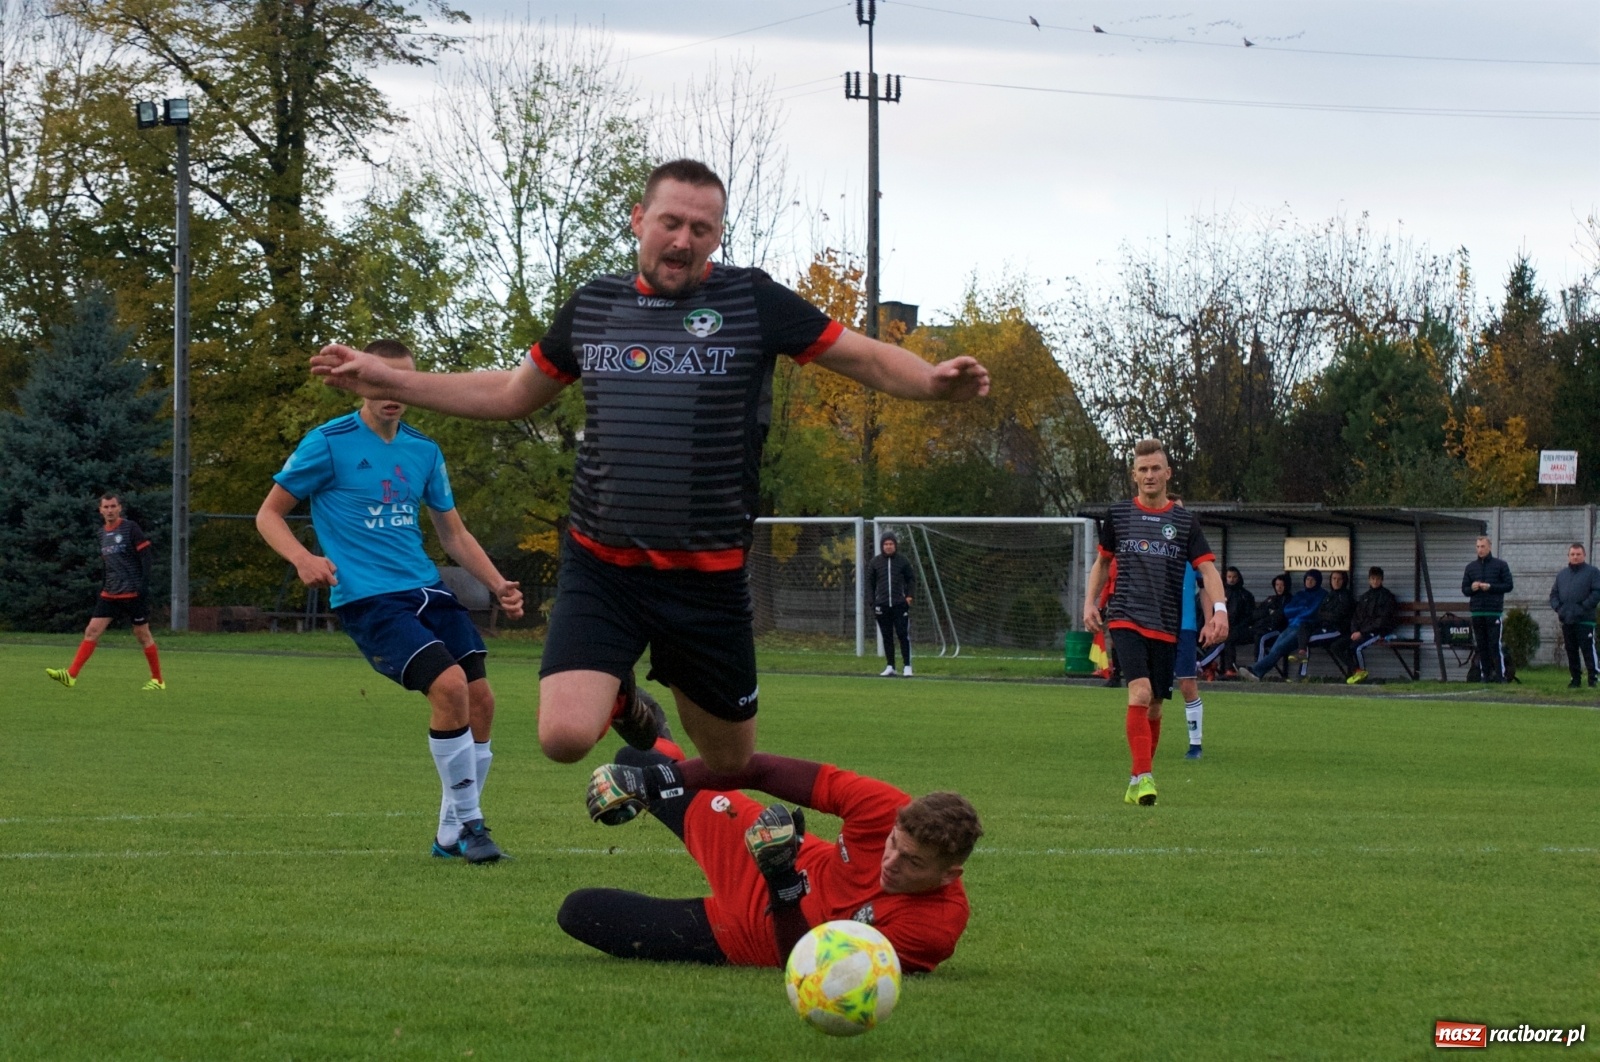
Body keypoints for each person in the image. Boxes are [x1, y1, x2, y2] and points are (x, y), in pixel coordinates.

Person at [308, 159, 990, 775]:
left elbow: (862, 355)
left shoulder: (754, 302)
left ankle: (644, 725)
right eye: (670, 221)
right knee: (564, 737)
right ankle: (624, 700)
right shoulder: (596, 308)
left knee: (727, 762)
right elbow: (510, 394)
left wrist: (930, 382)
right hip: (605, 570)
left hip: (708, 584)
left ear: (717, 236)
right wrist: (382, 377)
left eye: (701, 227)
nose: (683, 239)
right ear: (640, 220)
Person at [256, 340, 526, 864]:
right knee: (448, 687)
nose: (392, 394)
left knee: (483, 701)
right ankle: (472, 826)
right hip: (370, 598)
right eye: (381, 382)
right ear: (364, 382)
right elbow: (269, 514)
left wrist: (497, 583)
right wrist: (303, 558)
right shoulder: (328, 442)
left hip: (425, 590)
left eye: (401, 382)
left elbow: (453, 533)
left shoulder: (424, 449)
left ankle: (451, 834)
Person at [560, 745, 981, 972]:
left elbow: (808, 967)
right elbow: (757, 769)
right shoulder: (882, 806)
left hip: (746, 931)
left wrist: (782, 881)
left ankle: (661, 749)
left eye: (913, 863)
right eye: (893, 844)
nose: (891, 862)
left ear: (950, 875)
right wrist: (658, 780)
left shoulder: (933, 928)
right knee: (635, 763)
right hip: (757, 845)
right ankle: (653, 736)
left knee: (579, 911)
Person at [1082, 439, 1226, 807]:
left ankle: (1136, 777)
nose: (1149, 475)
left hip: (1166, 625)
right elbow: (1102, 563)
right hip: (1126, 618)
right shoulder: (1117, 515)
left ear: (1167, 473)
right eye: (1142, 469)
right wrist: (1088, 604)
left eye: (1155, 469)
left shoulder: (1183, 521)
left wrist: (1220, 611)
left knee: (1157, 705)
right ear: (1134, 475)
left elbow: (1207, 568)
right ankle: (1145, 777)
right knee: (1140, 692)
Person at [45, 492, 165, 691]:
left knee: (142, 635)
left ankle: (158, 680)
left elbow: (146, 556)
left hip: (132, 592)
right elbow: (108, 564)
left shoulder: (130, 528)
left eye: (113, 506)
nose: (109, 510)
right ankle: (71, 675)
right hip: (110, 593)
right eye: (106, 507)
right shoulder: (101, 533)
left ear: (119, 508)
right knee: (91, 631)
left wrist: (143, 584)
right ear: (100, 510)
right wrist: (104, 585)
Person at [1243, 571, 1326, 681]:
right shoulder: (1300, 594)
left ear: (1318, 581)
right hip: (1292, 625)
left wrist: (1299, 611)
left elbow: (1311, 612)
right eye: (1307, 579)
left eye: (1312, 580)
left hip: (1303, 628)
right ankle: (1258, 673)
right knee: (1275, 649)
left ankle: (1255, 670)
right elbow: (1287, 610)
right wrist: (1301, 610)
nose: (1309, 582)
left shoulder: (1321, 595)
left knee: (1280, 648)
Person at [1461, 535, 1513, 683]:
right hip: (1477, 611)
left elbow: (1508, 585)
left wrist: (1491, 587)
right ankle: (1486, 675)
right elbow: (1465, 589)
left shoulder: (1500, 565)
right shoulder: (1471, 567)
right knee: (1481, 645)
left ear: (1489, 547)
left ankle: (1500, 675)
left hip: (1493, 611)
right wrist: (1472, 588)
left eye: (1482, 546)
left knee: (1494, 644)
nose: (1480, 550)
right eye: (1477, 547)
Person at [1548, 542, 1600, 689]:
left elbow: (1597, 593)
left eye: (1578, 554)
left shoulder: (1593, 572)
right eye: (1572, 554)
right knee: (1571, 651)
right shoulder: (1562, 575)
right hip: (1567, 620)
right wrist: (1559, 608)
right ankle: (1575, 679)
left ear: (1584, 555)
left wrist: (1583, 608)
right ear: (1568, 556)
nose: (1575, 557)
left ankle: (1593, 678)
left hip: (1585, 620)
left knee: (1588, 649)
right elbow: (1553, 595)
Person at [1335, 567, 1399, 684]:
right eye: (1373, 579)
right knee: (1337, 646)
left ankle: (1362, 675)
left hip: (1377, 632)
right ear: (1369, 580)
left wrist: (1362, 632)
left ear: (1382, 580)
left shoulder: (1387, 597)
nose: (1375, 581)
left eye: (1378, 579)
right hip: (1360, 632)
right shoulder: (1365, 597)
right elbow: (1356, 617)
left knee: (1356, 648)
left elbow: (1382, 621)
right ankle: (1356, 671)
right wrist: (1354, 630)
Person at [1172, 561, 1209, 759]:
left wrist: (1210, 621)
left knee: (1187, 684)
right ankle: (1146, 743)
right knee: (1150, 689)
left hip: (1185, 627)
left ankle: (1195, 745)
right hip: (1156, 626)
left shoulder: (1191, 549)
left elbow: (1206, 586)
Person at [867, 530, 916, 677]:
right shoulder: (875, 562)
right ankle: (890, 666)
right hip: (882, 605)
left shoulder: (903, 561)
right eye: (886, 544)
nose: (888, 546)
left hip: (899, 605)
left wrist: (909, 597)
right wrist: (872, 602)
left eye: (891, 544)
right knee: (887, 636)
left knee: (902, 634)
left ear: (895, 545)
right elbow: (870, 583)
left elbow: (911, 579)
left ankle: (907, 666)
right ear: (882, 546)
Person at [1294, 569, 1354, 680]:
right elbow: (1320, 613)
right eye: (1334, 579)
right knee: (1304, 625)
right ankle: (1302, 651)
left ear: (1344, 581)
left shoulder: (1345, 596)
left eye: (1339, 579)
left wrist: (1325, 615)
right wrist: (1326, 615)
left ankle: (1301, 674)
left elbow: (1337, 616)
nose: (1336, 581)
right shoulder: (1329, 595)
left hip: (1337, 630)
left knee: (1307, 641)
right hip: (1324, 626)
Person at [1214, 566, 1256, 678]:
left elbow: (1250, 616)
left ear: (1239, 578)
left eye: (1234, 577)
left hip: (1240, 629)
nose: (1231, 579)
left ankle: (1228, 669)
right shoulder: (1221, 593)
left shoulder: (1245, 595)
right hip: (1221, 627)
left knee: (1228, 638)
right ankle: (1208, 666)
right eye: (1229, 577)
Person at [1250, 573, 1291, 678]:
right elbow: (1255, 614)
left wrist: (1269, 614)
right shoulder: (1270, 599)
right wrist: (1268, 612)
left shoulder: (1289, 600)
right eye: (1277, 585)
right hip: (1263, 628)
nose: (1279, 588)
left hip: (1280, 631)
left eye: (1282, 585)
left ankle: (1257, 669)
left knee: (1261, 638)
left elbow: (1279, 618)